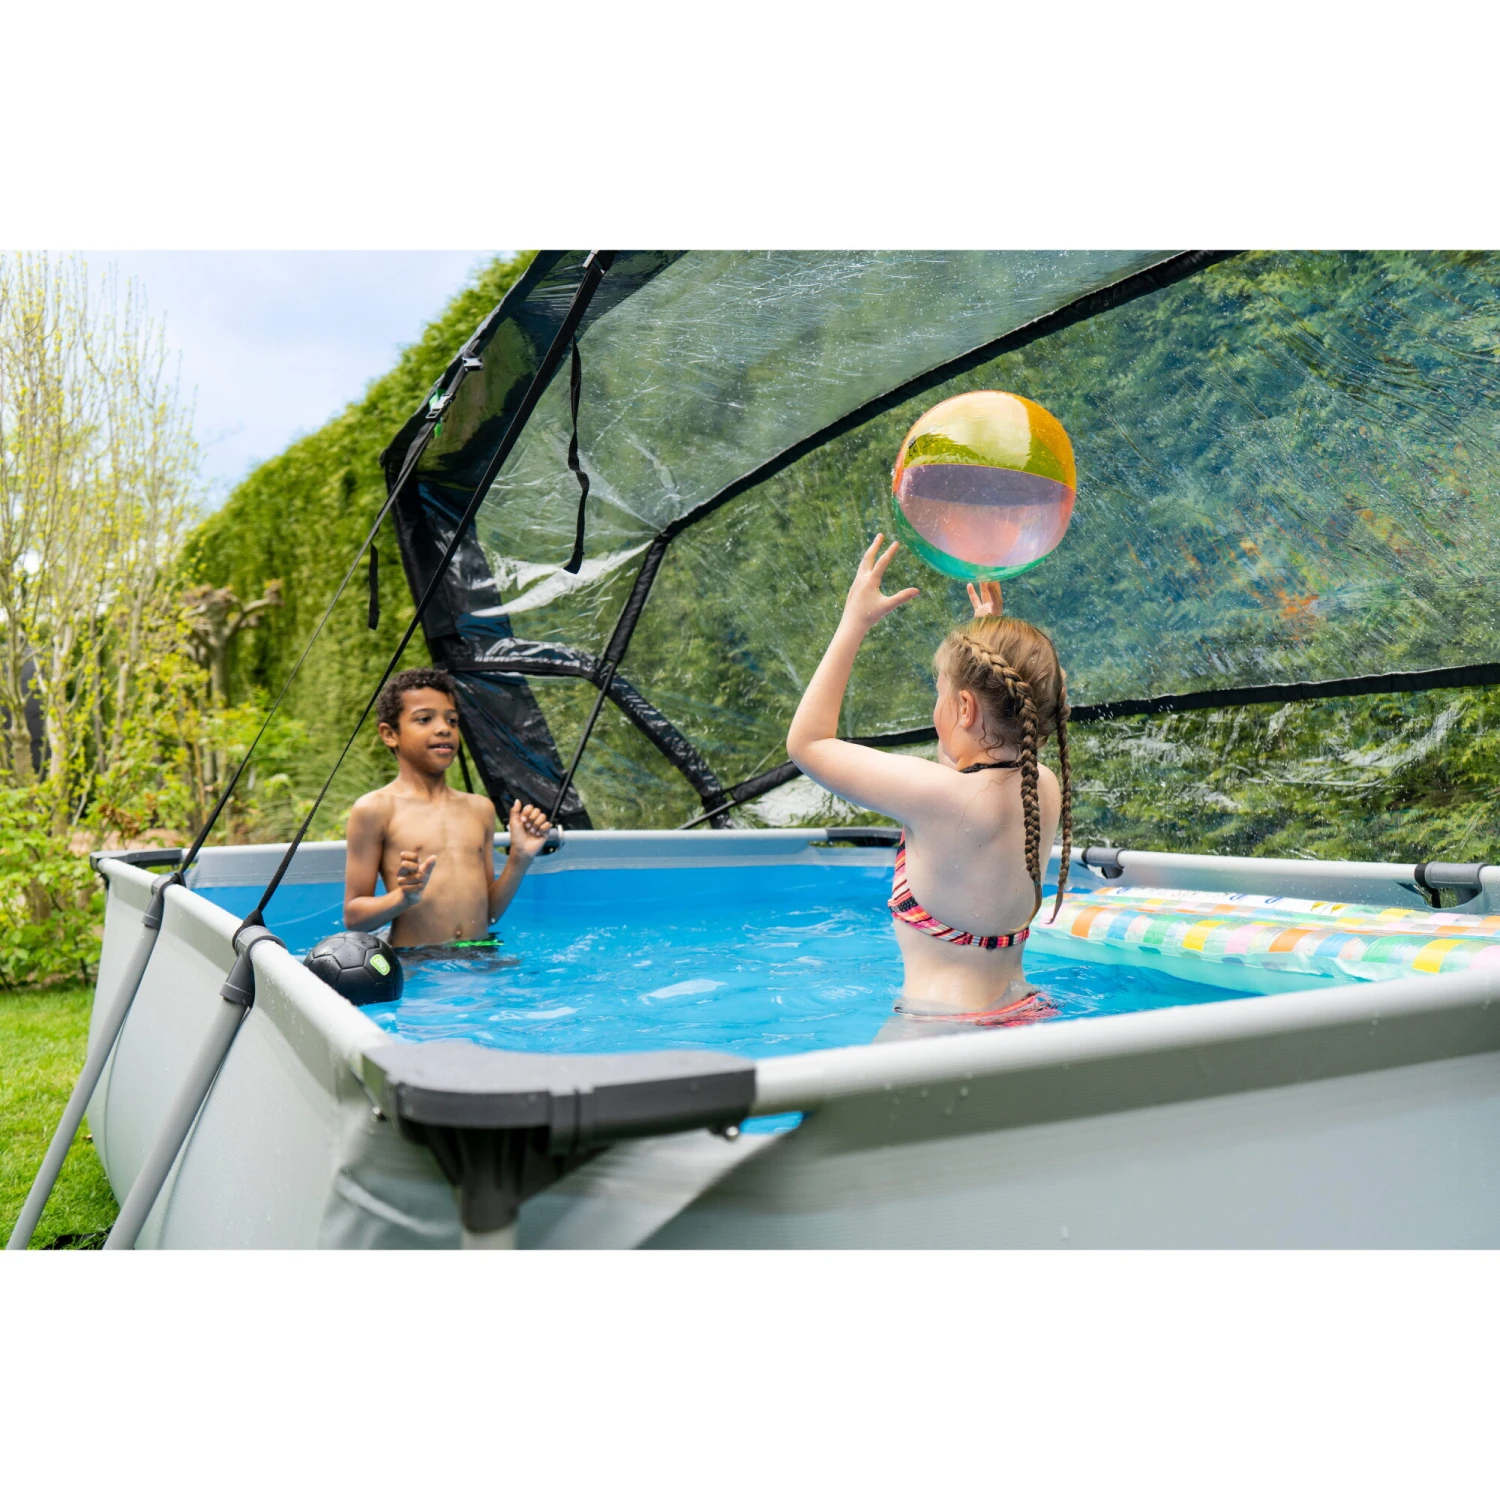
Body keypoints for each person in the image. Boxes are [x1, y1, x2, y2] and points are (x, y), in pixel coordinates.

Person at [786, 537, 1073, 1037]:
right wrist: (985, 643)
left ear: (964, 708)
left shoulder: (939, 798)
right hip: (1024, 1012)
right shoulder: (1041, 786)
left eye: (939, 694)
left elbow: (807, 743)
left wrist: (854, 623)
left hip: (942, 1026)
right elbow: (967, 755)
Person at [342, 667, 553, 949]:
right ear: (390, 734)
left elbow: (488, 914)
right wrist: (402, 898)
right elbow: (354, 918)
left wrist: (519, 858)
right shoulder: (376, 809)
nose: (444, 728)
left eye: (452, 720)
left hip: (479, 955)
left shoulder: (479, 809)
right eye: (424, 719)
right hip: (417, 961)